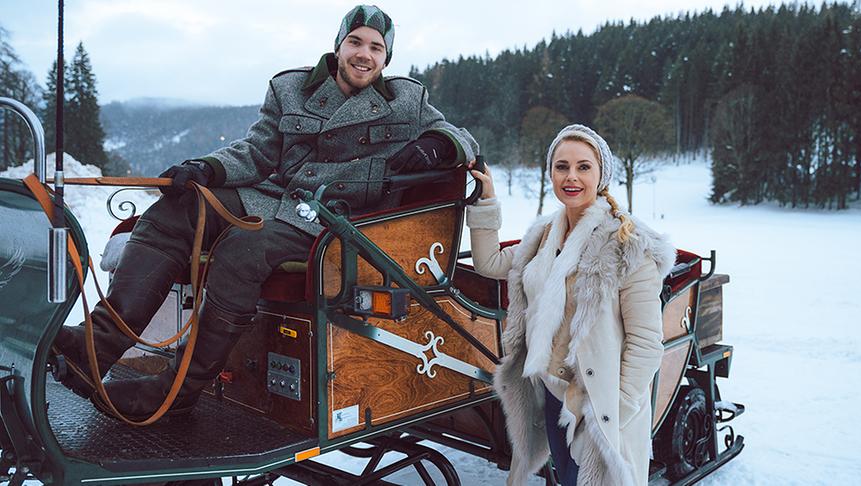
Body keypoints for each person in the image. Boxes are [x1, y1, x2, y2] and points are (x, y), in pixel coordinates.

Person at [52, 4, 477, 421]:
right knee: (179, 207)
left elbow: (462, 138)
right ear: (338, 45)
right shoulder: (290, 88)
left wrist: (436, 145)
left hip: (335, 218)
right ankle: (95, 351)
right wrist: (206, 168)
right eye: (356, 42)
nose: (364, 54)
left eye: (376, 48)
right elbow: (256, 152)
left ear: (386, 58)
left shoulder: (407, 98)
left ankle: (179, 388)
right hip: (274, 197)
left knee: (244, 248)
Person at [466, 124, 674, 485]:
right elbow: (490, 264)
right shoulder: (545, 235)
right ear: (550, 173)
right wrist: (486, 199)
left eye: (583, 167)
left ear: (601, 174)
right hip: (552, 393)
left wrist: (609, 411)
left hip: (598, 403)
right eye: (562, 167)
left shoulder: (627, 244)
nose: (571, 177)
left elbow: (645, 343)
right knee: (566, 479)